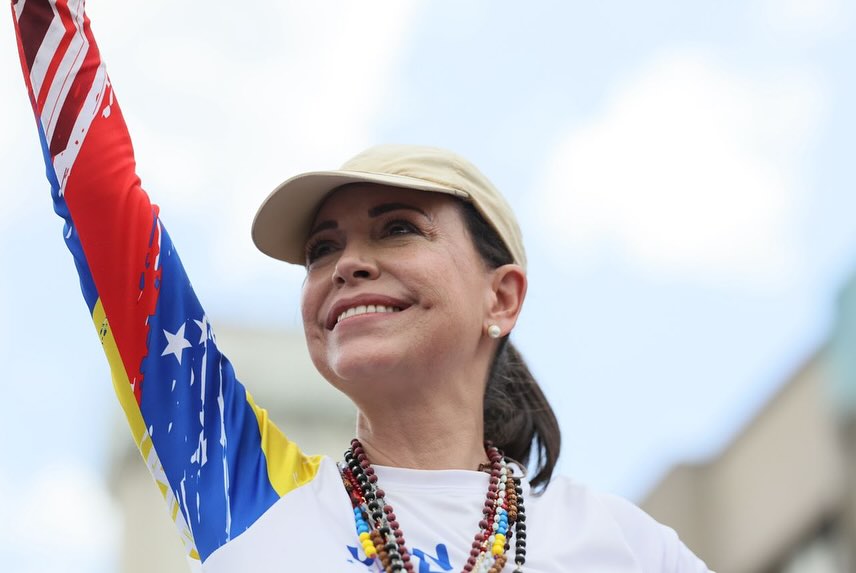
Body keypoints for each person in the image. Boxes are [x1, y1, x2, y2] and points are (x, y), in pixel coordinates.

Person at [10, 1, 712, 571]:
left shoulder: (626, 549)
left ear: (501, 297)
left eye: (398, 228)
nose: (347, 262)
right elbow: (101, 204)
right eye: (321, 248)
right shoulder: (248, 497)